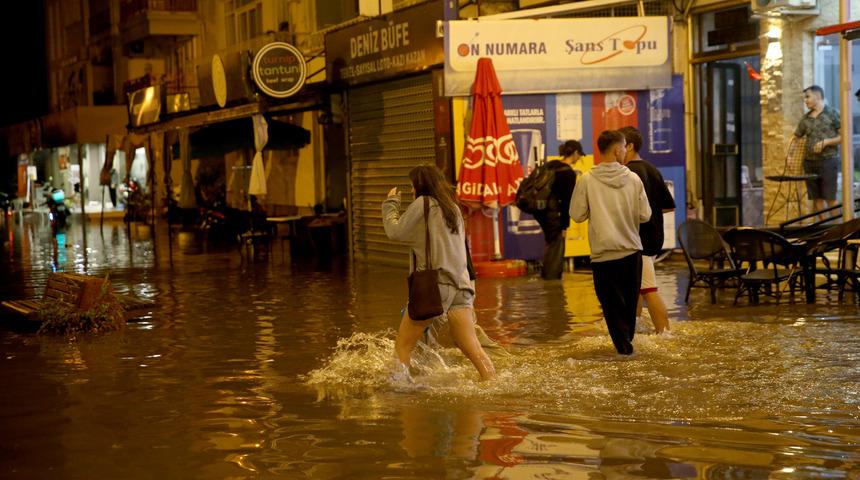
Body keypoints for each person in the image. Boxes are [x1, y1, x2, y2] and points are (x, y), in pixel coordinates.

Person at [382, 165, 497, 380]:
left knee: (403, 346)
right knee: (473, 349)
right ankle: (492, 383)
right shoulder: (452, 208)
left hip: (436, 286)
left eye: (411, 186)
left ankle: (398, 391)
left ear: (419, 185)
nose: (411, 191)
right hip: (462, 287)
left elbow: (395, 232)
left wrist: (391, 204)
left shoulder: (423, 204)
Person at [570, 130, 651, 355]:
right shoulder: (634, 179)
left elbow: (577, 214)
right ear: (617, 150)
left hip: (603, 256)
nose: (625, 150)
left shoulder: (586, 179)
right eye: (624, 146)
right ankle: (628, 352)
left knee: (611, 309)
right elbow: (646, 215)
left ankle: (623, 351)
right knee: (628, 308)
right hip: (631, 252)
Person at [619, 126, 674, 334]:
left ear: (629, 146)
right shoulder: (651, 169)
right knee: (635, 290)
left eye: (620, 146)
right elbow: (668, 206)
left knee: (649, 290)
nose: (617, 151)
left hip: (637, 240)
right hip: (653, 238)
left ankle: (665, 334)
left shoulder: (629, 173)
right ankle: (635, 330)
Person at [791, 85, 841, 221]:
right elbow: (796, 138)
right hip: (809, 162)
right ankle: (825, 230)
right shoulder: (805, 119)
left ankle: (840, 229)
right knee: (817, 199)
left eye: (808, 97)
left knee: (830, 198)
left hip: (828, 161)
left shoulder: (833, 114)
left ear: (818, 97)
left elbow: (843, 137)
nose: (805, 100)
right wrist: (790, 156)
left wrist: (826, 142)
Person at [533, 140, 581, 280]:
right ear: (575, 153)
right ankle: (552, 283)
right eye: (579, 155)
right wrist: (565, 225)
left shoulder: (550, 165)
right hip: (555, 214)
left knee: (551, 244)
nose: (579, 158)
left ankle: (547, 276)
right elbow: (567, 202)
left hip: (541, 211)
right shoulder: (568, 173)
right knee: (556, 247)